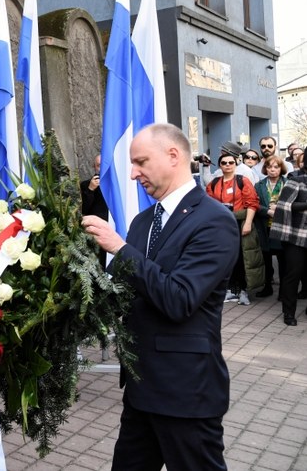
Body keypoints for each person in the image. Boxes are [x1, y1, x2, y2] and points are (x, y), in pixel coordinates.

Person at [82, 123, 238, 471]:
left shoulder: (215, 221)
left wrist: (119, 249)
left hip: (185, 390)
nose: (133, 173)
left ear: (173, 156)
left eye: (140, 162)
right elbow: (126, 292)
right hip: (140, 385)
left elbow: (179, 299)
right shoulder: (143, 221)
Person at [205, 150, 262, 305]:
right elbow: (208, 205)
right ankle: (229, 290)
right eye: (224, 163)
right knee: (225, 257)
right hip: (221, 224)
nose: (228, 165)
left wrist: (249, 223)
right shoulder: (214, 183)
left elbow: (252, 203)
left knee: (243, 258)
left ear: (236, 163)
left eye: (231, 162)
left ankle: (243, 290)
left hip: (240, 222)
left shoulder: (243, 180)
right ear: (220, 165)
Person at [269, 152, 307, 326]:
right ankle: (288, 312)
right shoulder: (297, 180)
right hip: (295, 236)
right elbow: (285, 205)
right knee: (293, 274)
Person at [254, 156, 287, 298]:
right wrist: (267, 211)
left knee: (283, 260)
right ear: (265, 168)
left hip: (282, 227)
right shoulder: (259, 185)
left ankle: (283, 291)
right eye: (269, 167)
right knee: (266, 259)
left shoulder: (288, 184)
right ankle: (267, 286)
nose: (272, 170)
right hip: (264, 226)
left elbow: (294, 204)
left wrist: (278, 209)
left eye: (276, 167)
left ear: (281, 169)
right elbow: (254, 204)